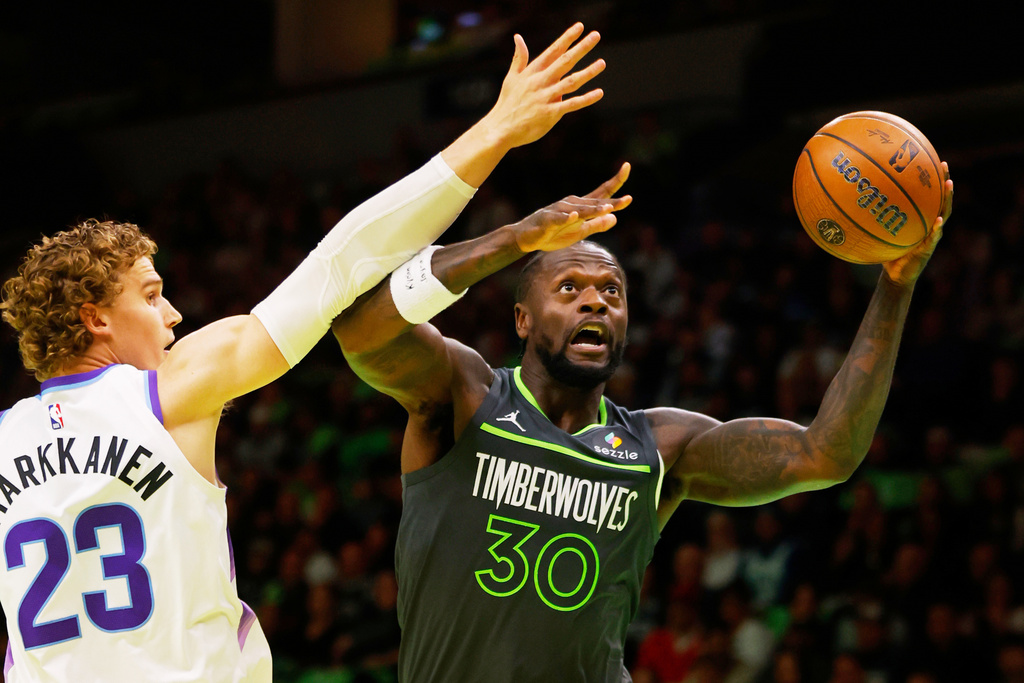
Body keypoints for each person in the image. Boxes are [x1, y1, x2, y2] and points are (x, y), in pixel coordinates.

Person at [0, 23, 608, 682]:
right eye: (150, 295)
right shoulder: (167, 393)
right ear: (96, 318)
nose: (172, 313)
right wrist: (493, 133)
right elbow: (339, 265)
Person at [331, 152, 954, 682]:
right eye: (569, 288)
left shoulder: (660, 445)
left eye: (612, 292)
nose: (595, 300)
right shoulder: (465, 396)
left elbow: (826, 454)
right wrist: (515, 239)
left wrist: (896, 285)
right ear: (523, 319)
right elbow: (362, 333)